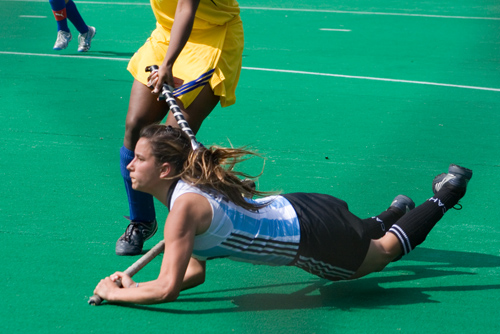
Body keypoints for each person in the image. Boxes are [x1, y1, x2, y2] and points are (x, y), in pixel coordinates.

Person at [93, 125, 473, 305]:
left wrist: (114, 292)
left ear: (164, 170)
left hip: (310, 238)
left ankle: (445, 193)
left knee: (382, 254)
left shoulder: (183, 210)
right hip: (302, 206)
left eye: (139, 159)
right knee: (361, 234)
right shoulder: (186, 198)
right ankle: (395, 210)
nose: (130, 166)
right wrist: (137, 288)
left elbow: (167, 289)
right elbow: (192, 271)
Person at [116, 0, 244, 256]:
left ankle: (188, 221)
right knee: (134, 126)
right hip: (166, 33)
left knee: (172, 141)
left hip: (211, 39)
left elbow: (186, 7)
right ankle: (141, 221)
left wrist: (168, 64)